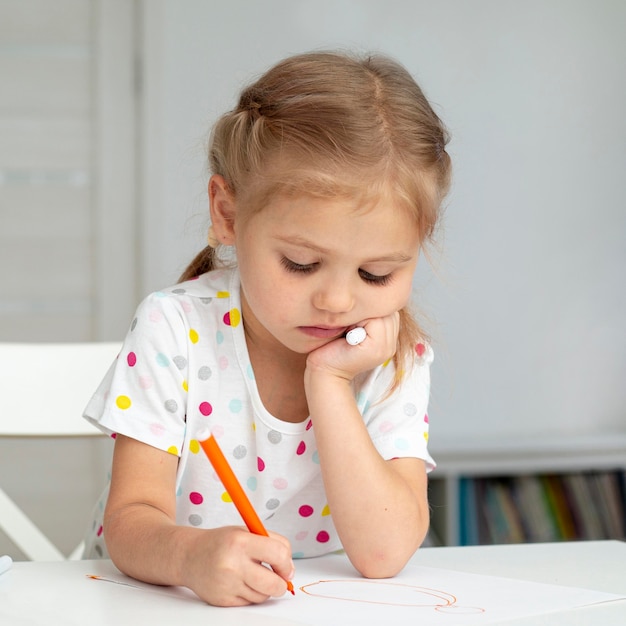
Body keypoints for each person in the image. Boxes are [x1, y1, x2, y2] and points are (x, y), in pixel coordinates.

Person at [82, 50, 451, 607]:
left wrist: (328, 384)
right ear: (228, 215)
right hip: (156, 607)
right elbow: (130, 521)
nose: (337, 301)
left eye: (376, 273)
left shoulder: (393, 355)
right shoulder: (173, 328)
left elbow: (384, 554)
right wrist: (190, 556)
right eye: (301, 264)